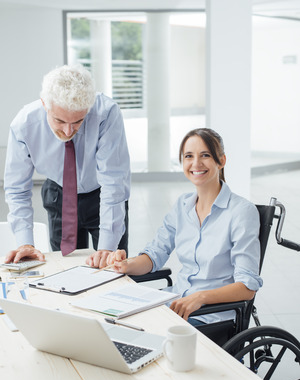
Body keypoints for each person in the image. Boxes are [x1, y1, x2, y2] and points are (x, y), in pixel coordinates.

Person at [107, 127, 263, 327]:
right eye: (189, 156)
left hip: (212, 316)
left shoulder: (241, 212)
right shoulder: (182, 206)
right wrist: (126, 265)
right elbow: (155, 254)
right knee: (113, 320)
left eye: (205, 155)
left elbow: (247, 287)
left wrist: (201, 297)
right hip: (174, 305)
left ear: (221, 161)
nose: (196, 163)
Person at [4, 64, 130, 269]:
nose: (68, 130)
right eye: (60, 120)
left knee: (111, 268)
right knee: (65, 269)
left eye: (78, 121)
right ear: (45, 104)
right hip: (59, 194)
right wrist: (25, 242)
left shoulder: (106, 113)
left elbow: (114, 182)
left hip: (103, 194)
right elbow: (17, 189)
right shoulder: (24, 125)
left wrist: (107, 248)